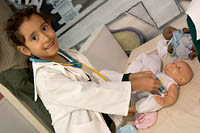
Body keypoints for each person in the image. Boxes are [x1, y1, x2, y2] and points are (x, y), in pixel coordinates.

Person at [4, 6, 161, 133]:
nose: (45, 38)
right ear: (25, 50)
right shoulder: (45, 78)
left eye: (44, 28)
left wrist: (128, 78)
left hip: (106, 122)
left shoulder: (68, 54)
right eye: (34, 38)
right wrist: (134, 86)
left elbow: (96, 77)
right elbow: (89, 93)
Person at [126, 55, 193, 115]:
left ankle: (133, 108)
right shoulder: (162, 74)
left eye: (179, 68)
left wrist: (164, 101)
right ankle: (127, 84)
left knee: (154, 103)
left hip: (155, 95)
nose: (174, 65)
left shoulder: (172, 83)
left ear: (181, 79)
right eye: (174, 63)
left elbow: (172, 97)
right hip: (144, 87)